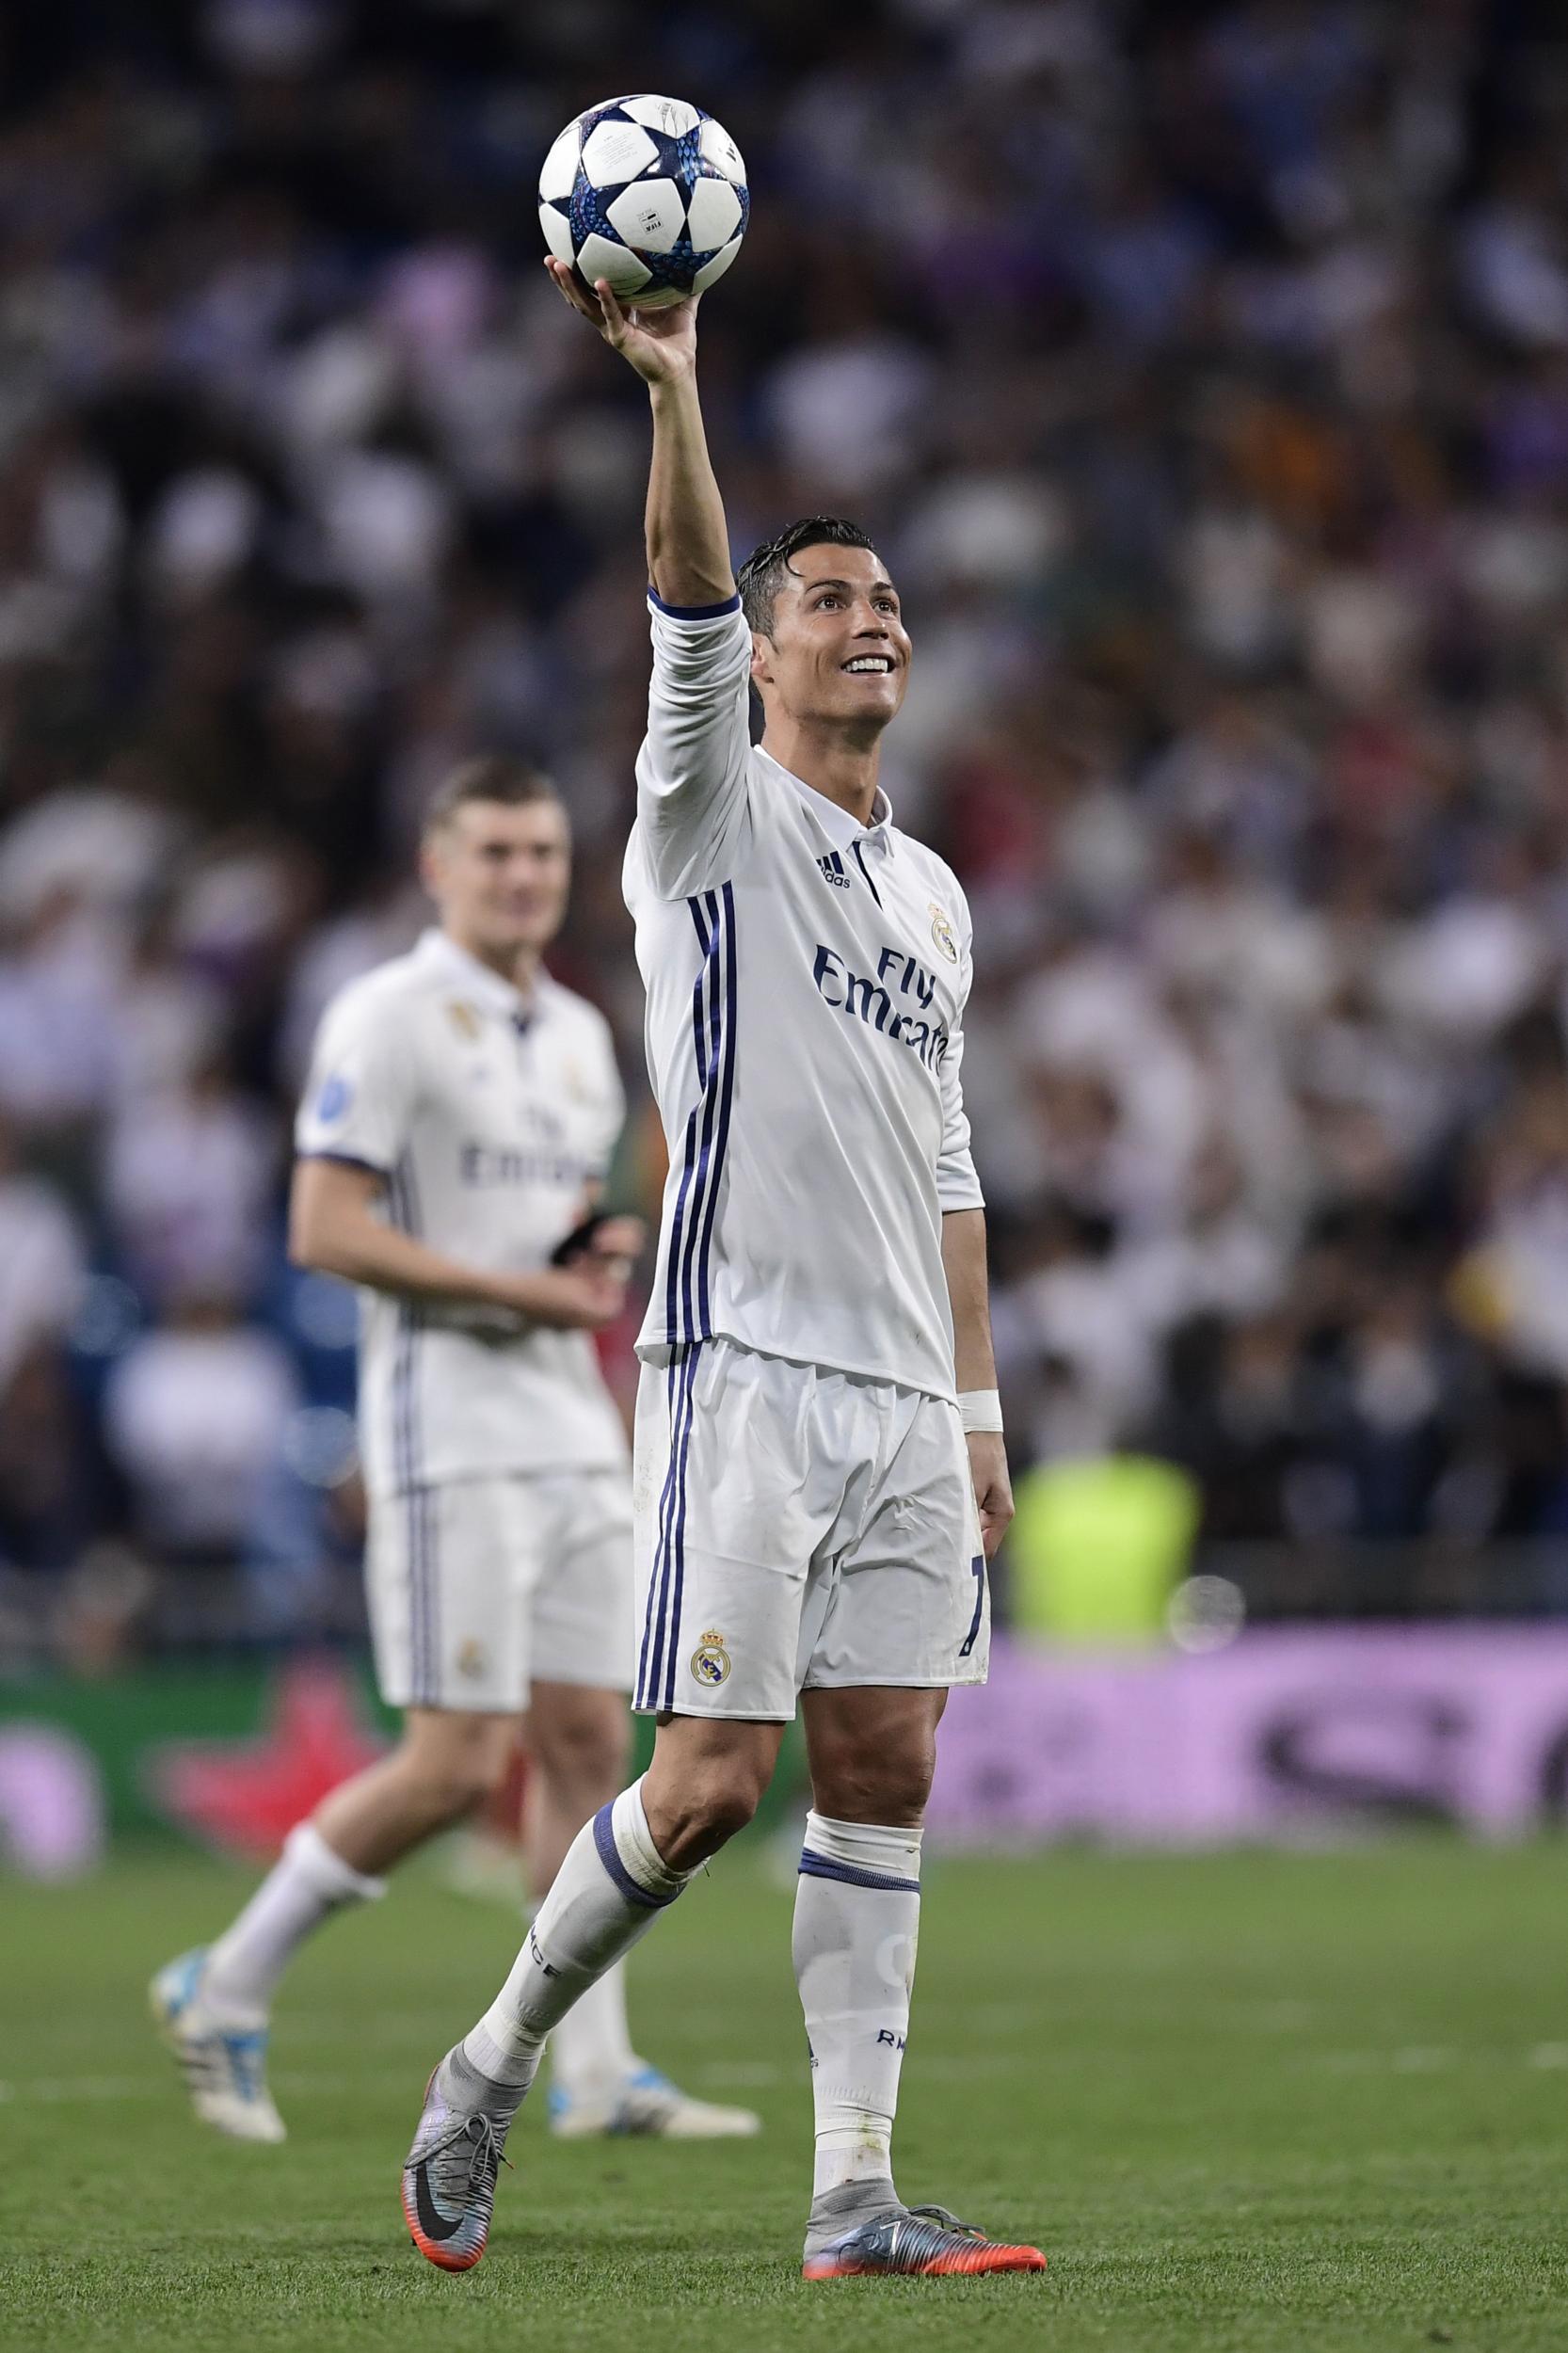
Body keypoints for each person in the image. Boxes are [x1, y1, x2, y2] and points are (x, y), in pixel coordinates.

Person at [398, 264, 1046, 2284]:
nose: (877, 620)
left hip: (895, 1400)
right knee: (698, 1787)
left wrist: (977, 1407)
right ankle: (489, 2065)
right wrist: (672, 389)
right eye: (833, 600)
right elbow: (678, 590)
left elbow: (947, 1165)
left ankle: (854, 2192)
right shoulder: (705, 814)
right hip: (737, 1363)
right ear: (763, 657)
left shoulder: (928, 893)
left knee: (886, 1764)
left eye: (887, 600)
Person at [151, 755, 759, 2148]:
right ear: (438, 867)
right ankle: (223, 1979)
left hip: (562, 1424)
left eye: (543, 853)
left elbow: (551, 1234)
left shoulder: (573, 1032)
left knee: (589, 1741)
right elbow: (322, 1230)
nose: (523, 876)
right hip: (448, 1433)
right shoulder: (389, 1014)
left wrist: (588, 1257)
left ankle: (596, 2070)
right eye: (493, 852)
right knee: (449, 1763)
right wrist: (522, 1291)